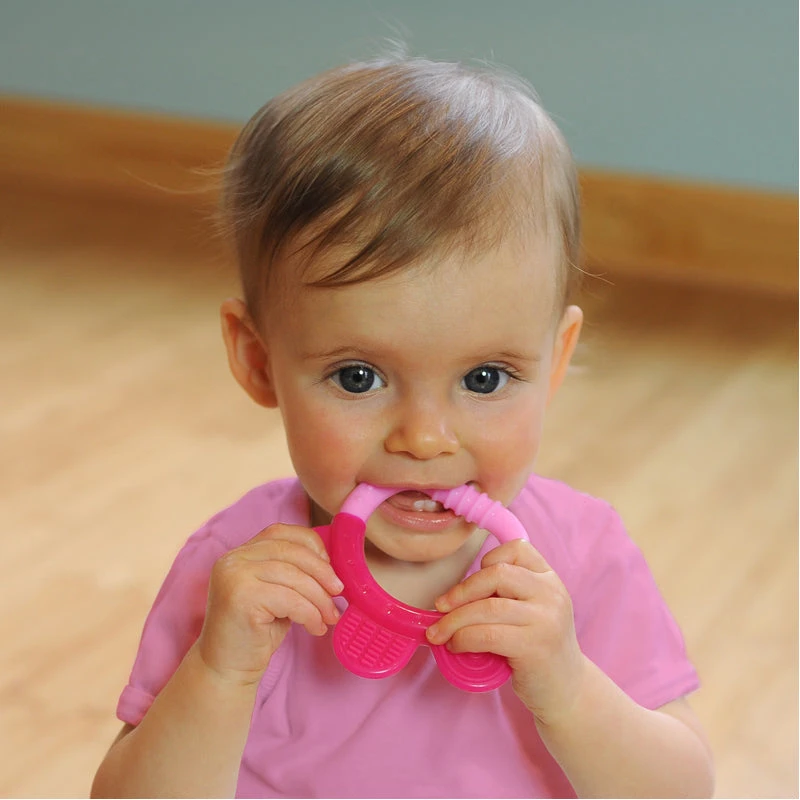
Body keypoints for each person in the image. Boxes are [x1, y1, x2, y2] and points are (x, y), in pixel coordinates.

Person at [92, 57, 714, 798]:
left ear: (555, 361)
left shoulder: (581, 557)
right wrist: (220, 674)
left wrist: (568, 687)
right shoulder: (237, 572)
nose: (424, 438)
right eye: (358, 377)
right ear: (260, 362)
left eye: (484, 379)